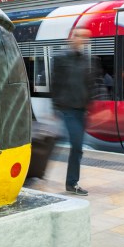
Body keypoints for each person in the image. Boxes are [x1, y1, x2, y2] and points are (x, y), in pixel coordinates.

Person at [50, 27, 96, 196]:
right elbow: (55, 83)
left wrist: (91, 106)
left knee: (76, 147)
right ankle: (71, 183)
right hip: (68, 109)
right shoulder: (61, 58)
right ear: (71, 37)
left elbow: (90, 84)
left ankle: (68, 181)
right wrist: (54, 107)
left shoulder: (86, 60)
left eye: (84, 37)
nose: (80, 39)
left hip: (82, 110)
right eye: (77, 36)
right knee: (76, 145)